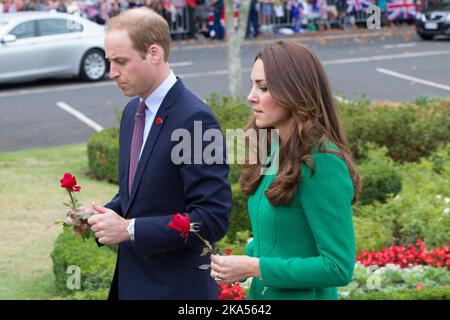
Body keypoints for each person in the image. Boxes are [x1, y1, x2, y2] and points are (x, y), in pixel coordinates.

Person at [69, 7, 231, 300]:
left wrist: (130, 229)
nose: (112, 72)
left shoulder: (194, 120)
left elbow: (212, 217)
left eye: (121, 61)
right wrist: (103, 215)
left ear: (154, 53)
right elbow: (140, 194)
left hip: (176, 290)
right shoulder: (133, 111)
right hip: (133, 284)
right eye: (110, 61)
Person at [210, 40, 361, 300]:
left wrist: (254, 266)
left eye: (263, 87)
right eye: (252, 84)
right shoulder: (272, 149)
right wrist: (246, 258)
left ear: (295, 92)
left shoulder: (323, 163)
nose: (251, 96)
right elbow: (284, 236)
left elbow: (338, 267)